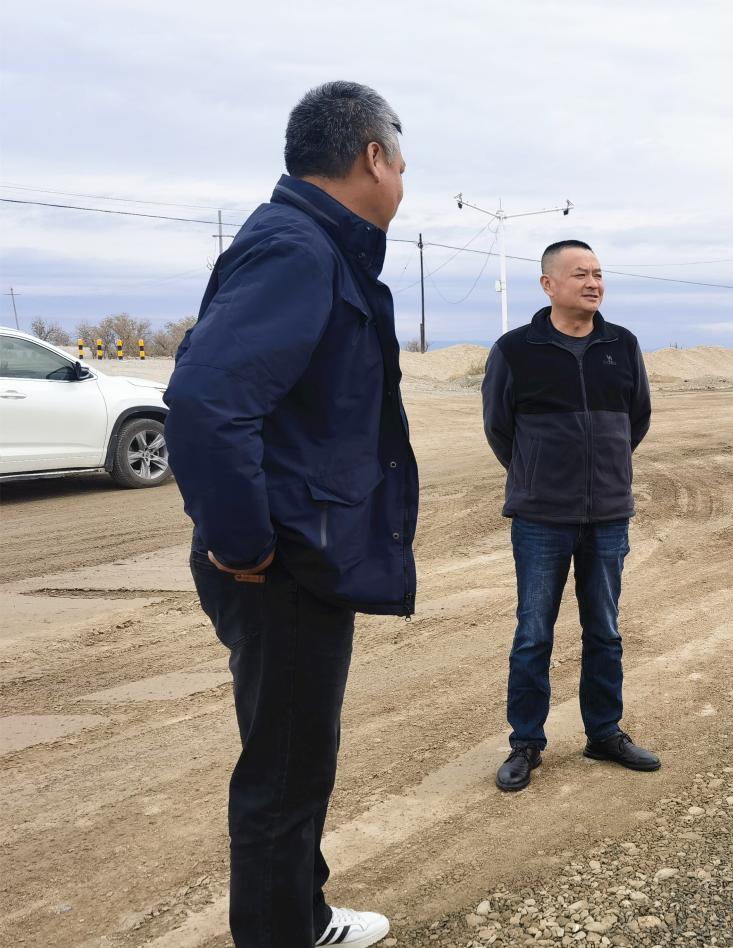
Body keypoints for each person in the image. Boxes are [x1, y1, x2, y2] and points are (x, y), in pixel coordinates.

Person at [164, 81, 416, 948]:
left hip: (297, 552)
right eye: (401, 160)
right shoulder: (299, 250)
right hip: (281, 565)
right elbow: (205, 405)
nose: (403, 178)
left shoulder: (312, 246)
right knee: (282, 777)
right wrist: (243, 544)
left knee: (298, 760)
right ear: (373, 157)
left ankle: (303, 918)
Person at [481, 239, 657, 792]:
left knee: (604, 629)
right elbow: (499, 428)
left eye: (598, 273)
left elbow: (636, 420)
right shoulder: (515, 350)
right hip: (541, 518)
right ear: (548, 284)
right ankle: (525, 743)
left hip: (608, 515)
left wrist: (604, 472)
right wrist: (537, 475)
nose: (593, 282)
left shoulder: (622, 345)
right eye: (580, 273)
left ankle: (603, 733)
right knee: (534, 633)